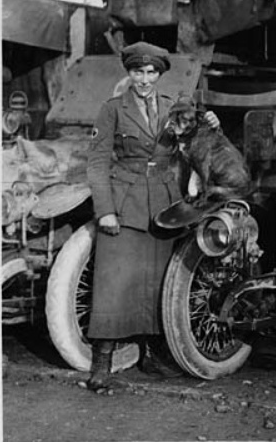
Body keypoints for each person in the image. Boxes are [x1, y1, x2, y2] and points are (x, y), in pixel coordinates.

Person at [85, 41, 220, 393]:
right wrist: (105, 211)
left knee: (159, 281)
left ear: (159, 74)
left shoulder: (175, 108)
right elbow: (98, 164)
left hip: (165, 203)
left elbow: (198, 147)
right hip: (125, 200)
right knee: (113, 283)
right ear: (128, 73)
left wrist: (212, 126)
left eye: (150, 73)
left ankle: (154, 355)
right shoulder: (112, 109)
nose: (144, 79)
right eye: (137, 72)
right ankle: (103, 361)